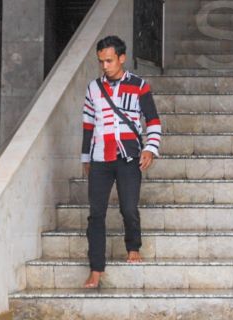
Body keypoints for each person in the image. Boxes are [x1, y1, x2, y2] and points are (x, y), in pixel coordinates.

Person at [81, 35, 162, 289]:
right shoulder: (93, 88)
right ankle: (96, 269)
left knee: (128, 207)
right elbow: (87, 125)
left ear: (121, 58)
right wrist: (86, 157)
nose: (104, 66)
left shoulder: (140, 86)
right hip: (100, 158)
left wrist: (150, 148)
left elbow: (153, 120)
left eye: (109, 60)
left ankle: (133, 246)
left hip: (129, 156)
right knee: (96, 214)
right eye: (101, 61)